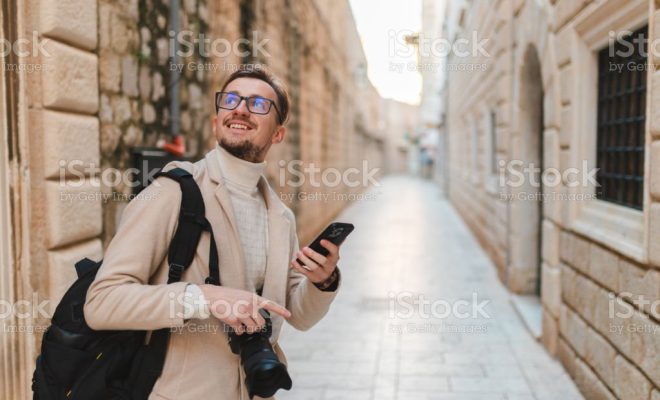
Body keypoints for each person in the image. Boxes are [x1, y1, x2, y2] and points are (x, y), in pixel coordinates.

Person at [84, 67, 343, 400]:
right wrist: (203, 297)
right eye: (231, 99)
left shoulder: (281, 216)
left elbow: (297, 314)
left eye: (259, 104)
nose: (240, 109)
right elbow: (102, 302)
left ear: (278, 133)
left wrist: (323, 281)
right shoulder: (170, 192)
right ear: (216, 120)